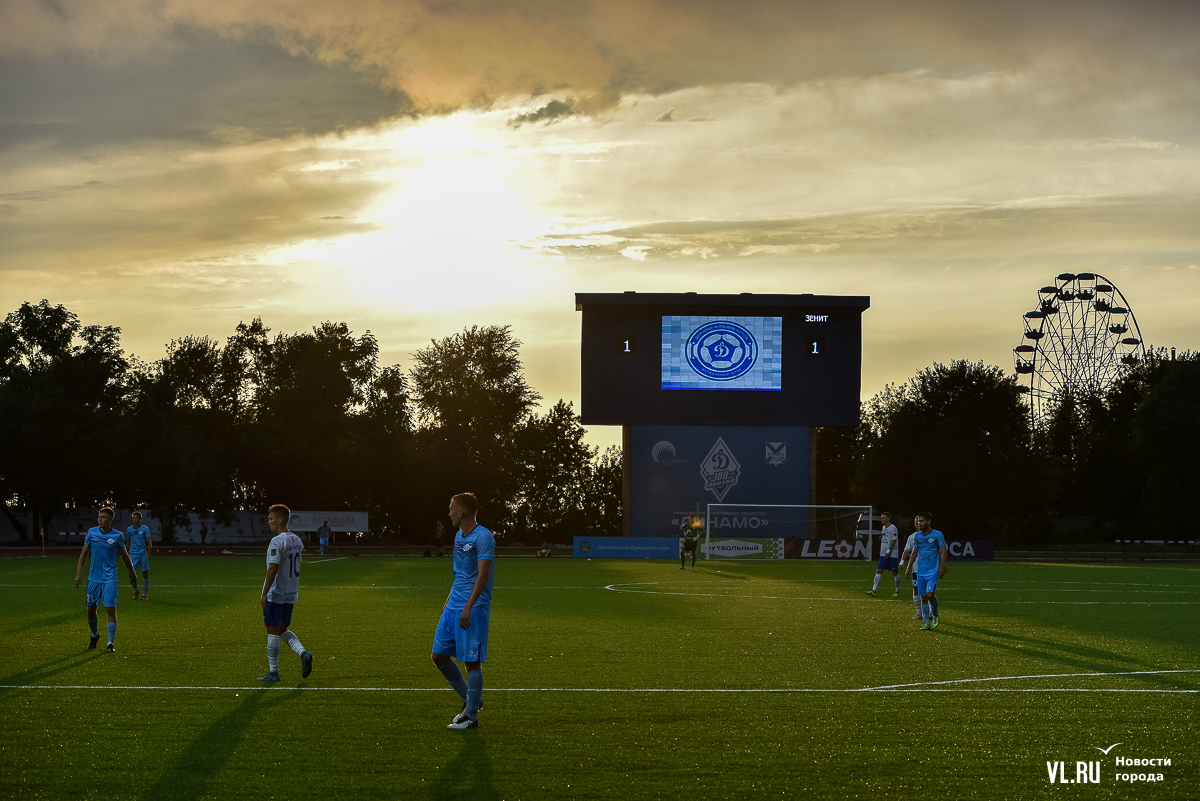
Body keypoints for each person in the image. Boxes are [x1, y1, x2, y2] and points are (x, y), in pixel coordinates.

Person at [431, 493, 495, 730]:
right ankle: (471, 701)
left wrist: (467, 606)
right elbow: (459, 574)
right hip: (453, 607)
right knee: (438, 656)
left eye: (451, 508)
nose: (448, 512)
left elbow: (483, 575)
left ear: (461, 512)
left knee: (471, 662)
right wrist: (448, 603)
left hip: (473, 607)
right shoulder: (458, 535)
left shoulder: (484, 537)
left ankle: (471, 717)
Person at [258, 503, 313, 682]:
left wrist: (264, 592)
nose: (269, 522)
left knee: (272, 629)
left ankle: (273, 672)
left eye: (271, 519)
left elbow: (273, 567)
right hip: (291, 592)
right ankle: (303, 654)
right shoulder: (297, 540)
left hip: (277, 593)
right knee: (282, 629)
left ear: (280, 520)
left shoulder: (277, 541)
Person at [74, 507, 139, 652]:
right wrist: (79, 574)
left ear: (110, 519)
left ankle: (110, 643)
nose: (100, 519)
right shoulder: (92, 532)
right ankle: (94, 635)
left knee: (110, 609)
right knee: (91, 610)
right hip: (93, 579)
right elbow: (84, 553)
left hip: (110, 577)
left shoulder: (117, 536)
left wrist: (132, 571)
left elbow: (124, 555)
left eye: (103, 517)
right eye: (99, 516)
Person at [905, 511, 947, 630]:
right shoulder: (917, 536)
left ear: (928, 522)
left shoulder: (937, 534)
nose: (919, 523)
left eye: (922, 521)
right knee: (922, 596)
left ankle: (935, 614)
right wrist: (908, 568)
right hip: (920, 571)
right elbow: (914, 553)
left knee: (930, 595)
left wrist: (942, 566)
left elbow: (944, 551)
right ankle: (926, 623)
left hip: (933, 571)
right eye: (918, 521)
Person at [866, 512, 900, 597]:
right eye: (881, 518)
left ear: (888, 519)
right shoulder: (883, 528)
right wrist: (882, 549)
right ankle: (874, 590)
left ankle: (897, 591)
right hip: (883, 554)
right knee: (879, 570)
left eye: (883, 518)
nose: (882, 519)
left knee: (895, 572)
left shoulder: (893, 528)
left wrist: (888, 551)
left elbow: (894, 540)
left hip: (892, 554)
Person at [125, 510, 152, 601]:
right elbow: (128, 542)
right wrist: (126, 553)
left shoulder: (145, 528)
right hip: (132, 554)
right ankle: (136, 590)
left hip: (142, 554)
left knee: (145, 573)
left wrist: (149, 552)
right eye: (133, 518)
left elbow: (149, 541)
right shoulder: (129, 529)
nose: (134, 519)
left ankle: (144, 594)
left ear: (140, 519)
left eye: (136, 518)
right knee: (131, 574)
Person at [898, 528, 923, 620]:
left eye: (920, 521)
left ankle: (930, 612)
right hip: (916, 568)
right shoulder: (911, 537)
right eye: (916, 522)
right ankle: (919, 613)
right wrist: (902, 562)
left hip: (928, 568)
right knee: (916, 589)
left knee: (928, 590)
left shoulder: (931, 536)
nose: (918, 524)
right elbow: (907, 550)